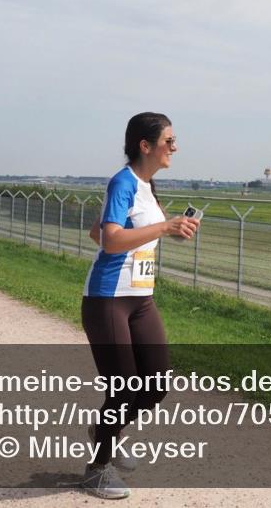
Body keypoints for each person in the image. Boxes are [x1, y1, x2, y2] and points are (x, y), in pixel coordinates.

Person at [78, 113, 198, 500]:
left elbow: (99, 230)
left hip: (141, 300)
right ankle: (97, 470)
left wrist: (172, 232)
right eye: (169, 140)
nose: (175, 147)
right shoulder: (123, 181)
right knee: (125, 388)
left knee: (157, 383)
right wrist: (163, 227)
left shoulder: (146, 186)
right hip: (108, 300)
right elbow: (110, 240)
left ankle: (105, 432)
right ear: (145, 146)